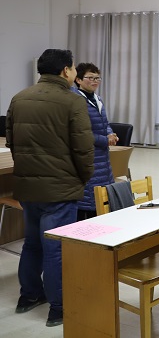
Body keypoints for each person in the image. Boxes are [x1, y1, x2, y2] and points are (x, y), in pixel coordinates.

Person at [6, 49, 94, 327]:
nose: (74, 73)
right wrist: (83, 178)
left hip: (28, 186)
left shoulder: (19, 98)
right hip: (60, 189)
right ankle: (59, 307)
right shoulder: (72, 101)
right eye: (73, 68)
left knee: (32, 243)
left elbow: (11, 141)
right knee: (56, 248)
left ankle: (29, 296)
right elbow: (83, 149)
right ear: (65, 71)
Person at [72, 63, 118, 220]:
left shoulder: (97, 98)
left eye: (97, 78)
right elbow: (80, 133)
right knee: (88, 203)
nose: (95, 81)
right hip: (88, 156)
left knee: (102, 201)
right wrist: (105, 140)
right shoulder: (76, 100)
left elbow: (105, 123)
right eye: (90, 78)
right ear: (78, 80)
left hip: (102, 158)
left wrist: (110, 134)